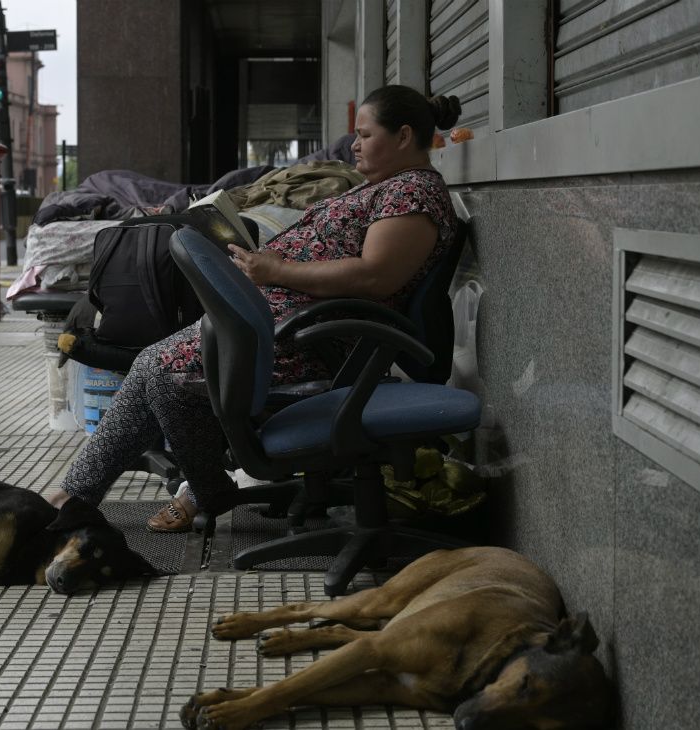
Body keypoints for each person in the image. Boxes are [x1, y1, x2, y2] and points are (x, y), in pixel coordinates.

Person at [48, 85, 463, 532]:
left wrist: (277, 270)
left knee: (162, 372)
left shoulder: (413, 193)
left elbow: (376, 277)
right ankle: (82, 493)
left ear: (403, 137)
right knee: (153, 366)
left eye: (365, 135)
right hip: (278, 319)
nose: (356, 145)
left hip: (317, 337)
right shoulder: (383, 187)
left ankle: (187, 489)